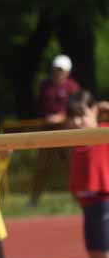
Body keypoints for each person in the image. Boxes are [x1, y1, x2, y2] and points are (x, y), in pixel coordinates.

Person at [65, 90, 109, 258]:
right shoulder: (76, 142)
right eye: (73, 117)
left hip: (105, 207)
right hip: (91, 211)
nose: (78, 122)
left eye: (83, 115)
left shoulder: (104, 133)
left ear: (95, 112)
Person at [30, 54, 80, 205]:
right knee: (41, 167)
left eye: (61, 70)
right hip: (47, 132)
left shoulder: (73, 87)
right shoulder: (45, 85)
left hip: (67, 132)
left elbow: (77, 109)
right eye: (56, 69)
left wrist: (62, 117)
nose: (58, 72)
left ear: (67, 71)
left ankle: (79, 198)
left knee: (72, 167)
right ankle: (34, 201)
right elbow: (40, 106)